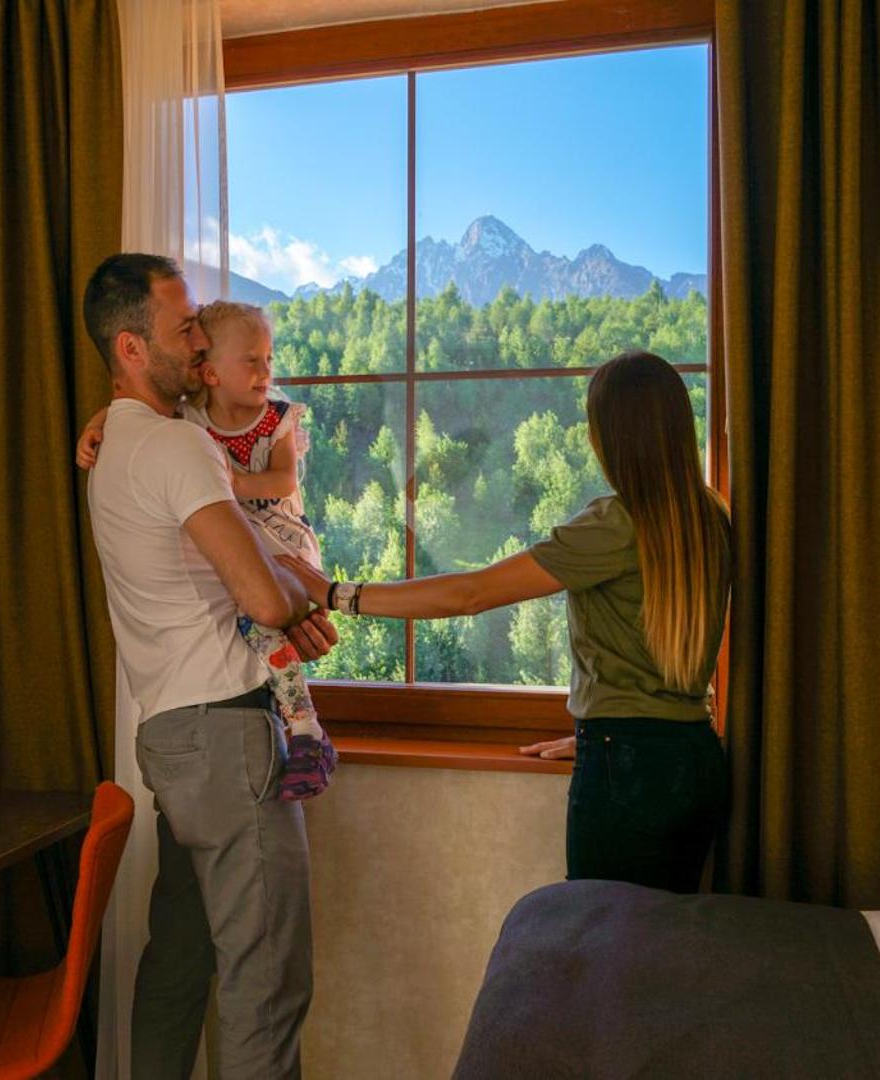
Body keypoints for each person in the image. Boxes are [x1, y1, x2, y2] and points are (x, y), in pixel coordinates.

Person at [280, 350, 732, 892]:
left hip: (629, 766)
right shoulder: (709, 515)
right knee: (668, 929)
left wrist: (338, 594)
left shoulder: (615, 524)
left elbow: (471, 594)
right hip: (692, 757)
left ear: (610, 438)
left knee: (602, 929)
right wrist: (602, 735)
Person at [80, 253, 336, 1078]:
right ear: (130, 348)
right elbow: (263, 598)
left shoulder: (116, 447)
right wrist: (302, 595)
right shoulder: (177, 447)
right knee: (266, 982)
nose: (199, 341)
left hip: (172, 739)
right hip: (226, 738)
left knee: (180, 960)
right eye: (184, 326)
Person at [77, 299, 336, 800]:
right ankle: (305, 725)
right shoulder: (187, 422)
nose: (265, 371)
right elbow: (132, 406)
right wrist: (100, 419)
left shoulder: (277, 419)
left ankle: (306, 729)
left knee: (266, 615)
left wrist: (229, 483)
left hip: (280, 539)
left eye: (268, 359)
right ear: (211, 374)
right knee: (260, 628)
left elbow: (284, 481)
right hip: (244, 554)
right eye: (252, 360)